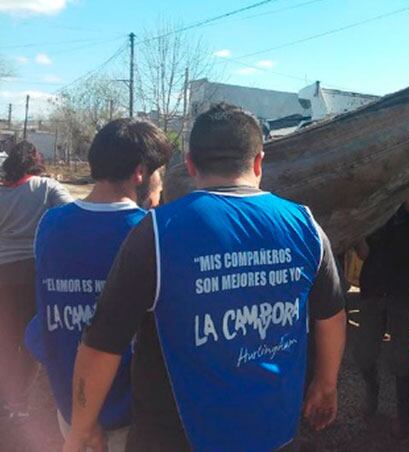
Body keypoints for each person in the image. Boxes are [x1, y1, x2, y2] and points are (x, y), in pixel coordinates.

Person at [63, 103, 347, 452]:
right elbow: (330, 316)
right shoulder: (306, 226)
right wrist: (326, 383)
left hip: (175, 439)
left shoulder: (156, 232)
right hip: (275, 434)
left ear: (191, 163)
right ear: (259, 162)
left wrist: (81, 428)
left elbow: (103, 342)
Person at [23, 119, 171, 451]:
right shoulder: (152, 232)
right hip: (127, 414)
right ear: (139, 173)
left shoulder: (51, 224)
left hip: (70, 406)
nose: (161, 181)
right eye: (159, 172)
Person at [0, 141, 72, 419]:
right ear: (35, 162)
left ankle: (7, 397)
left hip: (3, 273)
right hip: (33, 272)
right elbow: (71, 214)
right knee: (30, 338)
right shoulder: (46, 188)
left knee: (6, 338)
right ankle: (18, 403)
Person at [353, 194, 409, 439]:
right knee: (365, 353)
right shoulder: (372, 208)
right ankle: (372, 390)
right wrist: (357, 231)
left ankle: (404, 417)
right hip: (373, 289)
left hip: (401, 291)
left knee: (400, 356)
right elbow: (364, 253)